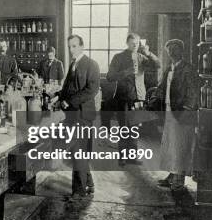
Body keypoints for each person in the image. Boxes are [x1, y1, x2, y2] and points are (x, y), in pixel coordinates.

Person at [106, 33, 161, 165]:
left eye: (137, 43)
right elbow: (110, 76)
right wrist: (126, 72)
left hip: (139, 98)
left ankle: (132, 157)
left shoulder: (142, 57)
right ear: (127, 43)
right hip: (124, 98)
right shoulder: (118, 57)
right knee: (124, 127)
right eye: (132, 43)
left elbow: (158, 65)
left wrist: (149, 53)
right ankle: (122, 157)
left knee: (135, 128)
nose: (135, 45)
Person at [56, 34, 100, 198]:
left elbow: (91, 90)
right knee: (77, 149)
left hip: (83, 114)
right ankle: (89, 183)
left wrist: (70, 102)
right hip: (72, 114)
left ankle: (79, 191)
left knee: (79, 150)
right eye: (69, 46)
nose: (71, 49)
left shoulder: (91, 64)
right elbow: (67, 87)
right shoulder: (73, 64)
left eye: (74, 46)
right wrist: (59, 97)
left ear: (82, 46)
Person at [154, 39, 199, 191]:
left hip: (183, 112)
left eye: (174, 49)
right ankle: (172, 174)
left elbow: (193, 92)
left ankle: (179, 178)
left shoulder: (188, 68)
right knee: (170, 144)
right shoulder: (170, 68)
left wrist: (188, 109)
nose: (172, 52)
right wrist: (153, 98)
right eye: (169, 50)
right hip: (170, 110)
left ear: (181, 51)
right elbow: (161, 87)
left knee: (181, 145)